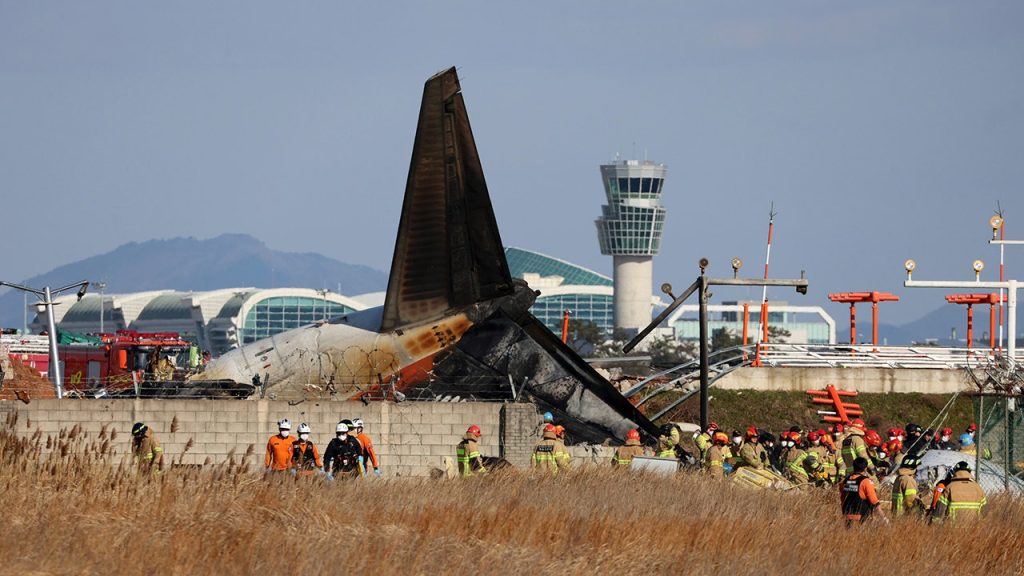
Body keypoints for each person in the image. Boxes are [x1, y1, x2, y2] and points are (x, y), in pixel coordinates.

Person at [840, 457, 881, 525]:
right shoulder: (866, 482)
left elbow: (842, 499)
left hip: (847, 516)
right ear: (865, 468)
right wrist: (884, 517)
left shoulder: (845, 481)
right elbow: (874, 501)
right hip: (861, 518)